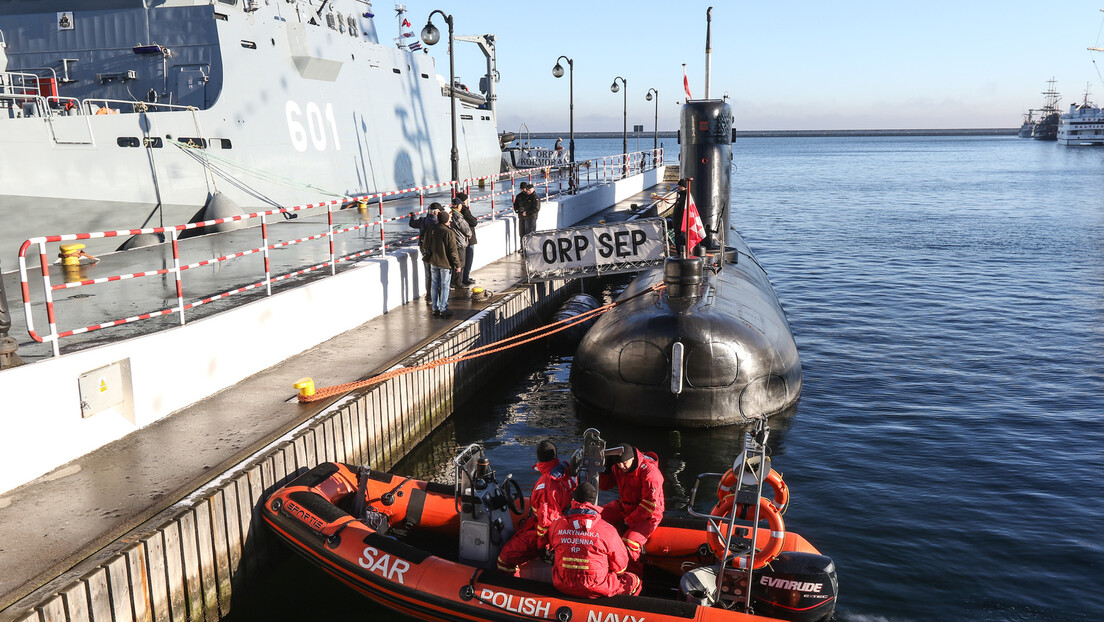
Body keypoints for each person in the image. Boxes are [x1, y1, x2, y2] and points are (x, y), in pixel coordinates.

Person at [548, 482, 642, 598]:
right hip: (597, 587)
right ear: (593, 502)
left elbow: (553, 547)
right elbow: (620, 567)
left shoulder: (557, 526)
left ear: (574, 500)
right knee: (634, 581)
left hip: (562, 584)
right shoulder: (607, 530)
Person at [496, 440, 576, 574]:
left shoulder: (545, 486)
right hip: (562, 525)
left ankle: (510, 588)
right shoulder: (565, 470)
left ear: (539, 458)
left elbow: (546, 521)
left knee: (505, 558)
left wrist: (542, 547)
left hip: (548, 533)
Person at [598, 444, 665, 563]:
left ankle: (633, 576)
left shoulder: (650, 473)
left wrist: (628, 522)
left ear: (632, 458)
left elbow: (649, 505)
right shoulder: (617, 468)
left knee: (629, 542)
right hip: (625, 506)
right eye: (618, 463)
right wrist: (605, 470)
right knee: (596, 519)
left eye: (624, 462)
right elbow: (604, 486)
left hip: (649, 516)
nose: (622, 466)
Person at [424, 209, 462, 318]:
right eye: (449, 220)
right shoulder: (448, 232)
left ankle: (435, 308)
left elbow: (425, 245)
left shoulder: (432, 229)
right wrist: (458, 265)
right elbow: (453, 251)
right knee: (445, 286)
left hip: (433, 262)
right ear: (445, 221)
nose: (450, 221)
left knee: (434, 285)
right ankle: (443, 308)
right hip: (445, 263)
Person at [409, 203, 441, 305]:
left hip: (424, 248)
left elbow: (412, 224)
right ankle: (436, 295)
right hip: (435, 249)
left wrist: (413, 216)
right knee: (436, 273)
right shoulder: (437, 222)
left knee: (428, 273)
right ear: (436, 212)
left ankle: (429, 295)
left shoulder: (422, 220)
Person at [447, 197, 472, 289]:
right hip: (460, 242)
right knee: (460, 263)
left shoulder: (452, 214)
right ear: (458, 205)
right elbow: (464, 227)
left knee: (457, 263)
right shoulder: (457, 215)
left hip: (456, 241)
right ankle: (457, 282)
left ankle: (455, 281)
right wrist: (469, 233)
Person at [455, 192, 479, 286]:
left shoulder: (454, 212)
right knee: (468, 259)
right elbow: (473, 222)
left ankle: (462, 278)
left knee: (462, 260)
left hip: (460, 239)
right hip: (468, 238)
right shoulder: (464, 210)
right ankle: (465, 278)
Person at [668, 178, 689, 251]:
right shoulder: (681, 198)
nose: (678, 188)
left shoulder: (686, 198)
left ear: (685, 187)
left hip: (681, 228)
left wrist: (679, 226)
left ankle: (683, 254)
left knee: (681, 244)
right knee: (678, 244)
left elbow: (683, 214)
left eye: (680, 186)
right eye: (678, 186)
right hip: (677, 227)